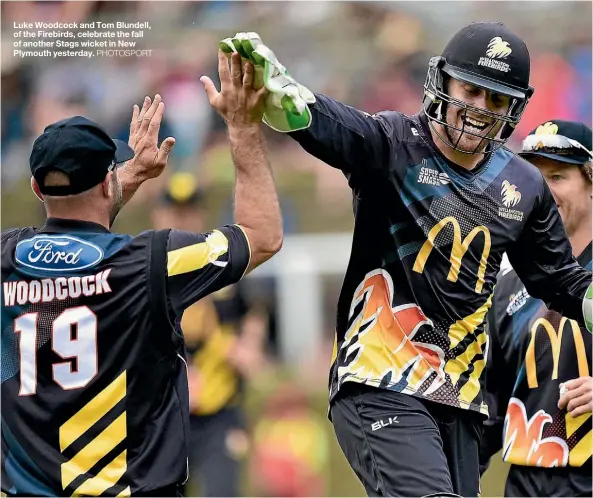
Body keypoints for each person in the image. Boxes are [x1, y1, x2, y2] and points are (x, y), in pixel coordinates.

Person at [222, 22, 593, 497]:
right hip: (381, 379)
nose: (480, 109)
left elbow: (561, 281)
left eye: (496, 100)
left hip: (459, 396)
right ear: (444, 81)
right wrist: (285, 97)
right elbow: (332, 125)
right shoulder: (395, 143)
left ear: (514, 107)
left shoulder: (524, 185)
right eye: (472, 90)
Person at [1, 50, 281, 497]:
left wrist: (122, 178)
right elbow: (261, 235)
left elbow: (70, 236)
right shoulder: (150, 263)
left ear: (36, 187)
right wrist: (244, 127)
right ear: (107, 182)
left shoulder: (6, 258)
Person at [481, 120, 592, 497]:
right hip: (525, 484)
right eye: (534, 180)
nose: (543, 192)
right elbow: (490, 406)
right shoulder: (507, 287)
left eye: (557, 177)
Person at [151, 172, 269, 497]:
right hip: (168, 416)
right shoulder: (149, 271)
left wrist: (247, 346)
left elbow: (254, 311)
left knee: (223, 490)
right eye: (175, 211)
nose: (182, 219)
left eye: (189, 210)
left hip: (221, 414)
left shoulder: (222, 267)